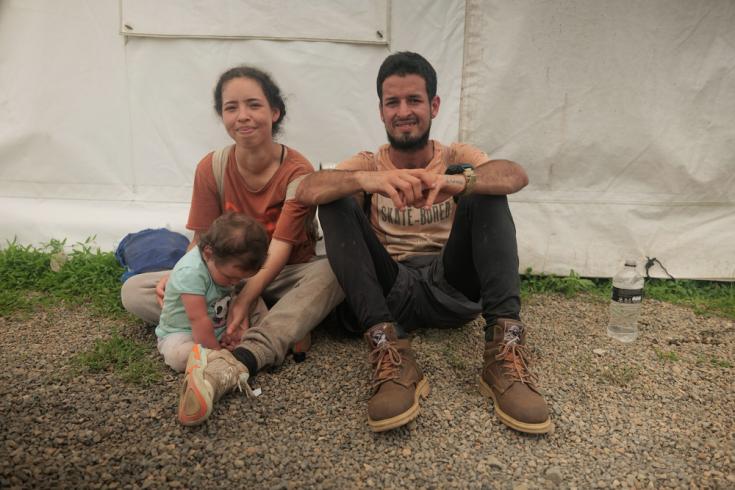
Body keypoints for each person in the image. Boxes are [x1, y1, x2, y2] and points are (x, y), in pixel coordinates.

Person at [296, 51, 551, 434]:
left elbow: (515, 174)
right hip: (390, 290)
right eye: (392, 102)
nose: (403, 111)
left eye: (414, 100)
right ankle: (389, 352)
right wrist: (367, 181)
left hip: (449, 285)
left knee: (485, 188)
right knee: (332, 199)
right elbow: (307, 188)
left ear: (433, 105)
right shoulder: (369, 161)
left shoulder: (454, 155)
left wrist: (458, 182)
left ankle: (504, 353)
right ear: (381, 111)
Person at [121, 65, 344, 426]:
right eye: (231, 107)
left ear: (274, 112)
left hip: (281, 272)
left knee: (334, 271)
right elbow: (201, 241)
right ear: (222, 116)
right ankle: (282, 325)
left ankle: (249, 345)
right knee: (134, 290)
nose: (243, 116)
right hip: (224, 277)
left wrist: (244, 298)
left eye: (253, 105)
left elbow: (281, 249)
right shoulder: (212, 167)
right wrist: (180, 277)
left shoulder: (297, 171)